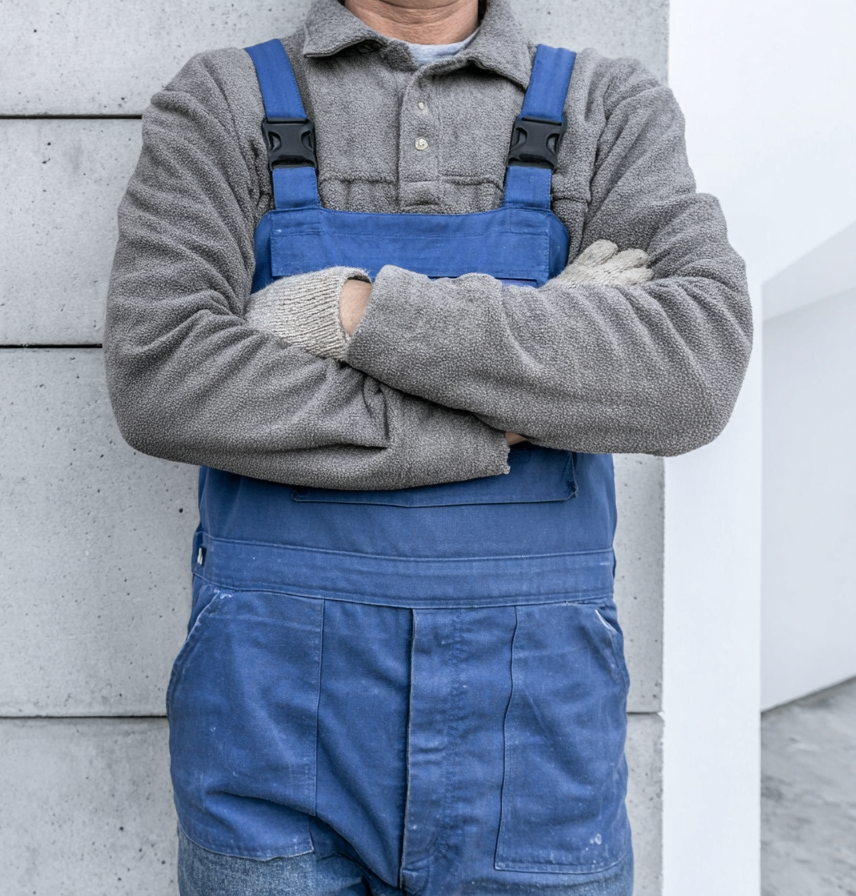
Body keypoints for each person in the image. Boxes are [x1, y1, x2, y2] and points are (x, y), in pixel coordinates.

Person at [104, 0, 752, 893]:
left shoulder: (610, 107)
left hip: (536, 739)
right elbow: (164, 378)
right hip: (273, 727)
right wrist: (508, 405)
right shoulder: (223, 102)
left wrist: (356, 313)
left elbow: (693, 370)